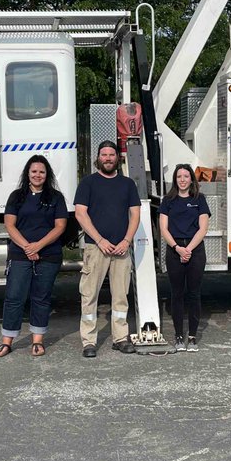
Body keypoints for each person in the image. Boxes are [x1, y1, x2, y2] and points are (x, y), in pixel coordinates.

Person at [0, 155, 68, 358]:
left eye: (42, 172)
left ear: (47, 175)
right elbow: (9, 225)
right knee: (14, 297)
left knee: (41, 298)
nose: (38, 175)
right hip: (20, 255)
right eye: (34, 171)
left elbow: (60, 226)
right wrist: (28, 247)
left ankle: (37, 341)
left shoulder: (56, 198)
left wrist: (39, 246)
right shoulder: (17, 196)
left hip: (48, 255)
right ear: (28, 173)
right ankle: (7, 341)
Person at [74, 140, 141, 358]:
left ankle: (120, 338)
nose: (108, 158)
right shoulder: (88, 183)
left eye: (112, 155)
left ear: (117, 158)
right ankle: (89, 341)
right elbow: (80, 214)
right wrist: (100, 240)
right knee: (89, 295)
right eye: (104, 155)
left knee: (121, 296)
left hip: (121, 249)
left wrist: (126, 241)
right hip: (96, 249)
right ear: (98, 158)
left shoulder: (128, 184)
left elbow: (135, 215)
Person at [158, 164, 211, 352]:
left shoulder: (200, 199)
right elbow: (163, 228)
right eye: (179, 176)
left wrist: (187, 249)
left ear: (191, 179)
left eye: (186, 176)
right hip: (174, 250)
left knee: (194, 294)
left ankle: (193, 336)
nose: (182, 179)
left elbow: (203, 228)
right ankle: (179, 335)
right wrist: (177, 248)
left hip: (194, 250)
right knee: (177, 294)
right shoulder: (168, 200)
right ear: (175, 179)